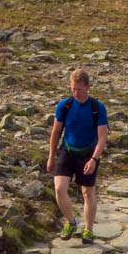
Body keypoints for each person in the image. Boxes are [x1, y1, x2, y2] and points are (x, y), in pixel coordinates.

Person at [46, 68, 109, 242]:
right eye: (73, 89)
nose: (76, 93)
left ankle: (88, 230)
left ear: (88, 87)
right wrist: (51, 156)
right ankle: (70, 222)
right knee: (59, 189)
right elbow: (56, 131)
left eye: (80, 89)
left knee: (87, 192)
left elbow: (102, 136)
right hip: (67, 150)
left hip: (88, 153)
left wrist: (94, 159)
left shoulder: (97, 108)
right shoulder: (64, 105)